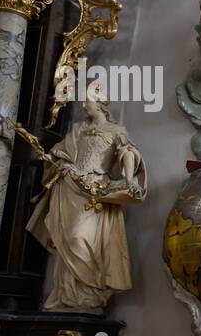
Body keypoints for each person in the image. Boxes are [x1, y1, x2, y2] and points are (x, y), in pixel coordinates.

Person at [26, 84, 146, 314]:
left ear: (99, 102)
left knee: (79, 238)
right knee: (66, 241)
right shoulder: (77, 129)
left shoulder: (115, 130)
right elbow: (60, 153)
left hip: (95, 190)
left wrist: (129, 180)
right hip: (69, 187)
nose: (83, 105)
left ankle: (90, 295)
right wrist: (49, 157)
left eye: (87, 100)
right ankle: (68, 295)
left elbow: (128, 152)